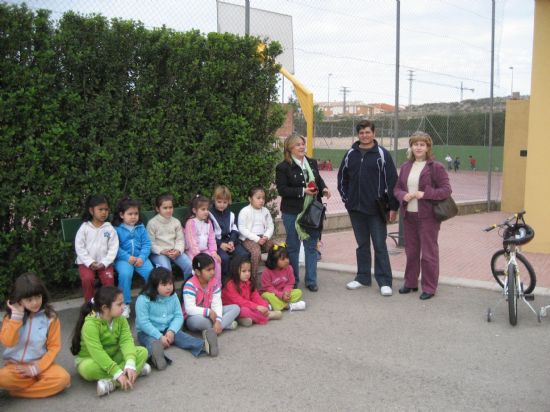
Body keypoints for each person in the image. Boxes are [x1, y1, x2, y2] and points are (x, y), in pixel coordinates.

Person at [337, 120, 398, 296]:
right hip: (355, 209)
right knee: (362, 244)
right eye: (362, 132)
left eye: (368, 132)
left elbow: (392, 181)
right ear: (358, 135)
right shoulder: (350, 154)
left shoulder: (382, 154)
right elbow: (342, 179)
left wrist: (393, 207)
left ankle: (384, 281)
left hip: (376, 209)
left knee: (379, 245)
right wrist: (347, 200)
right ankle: (363, 277)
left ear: (374, 133)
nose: (365, 135)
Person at [393, 132, 452, 300]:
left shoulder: (436, 167)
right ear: (411, 147)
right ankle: (410, 283)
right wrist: (402, 195)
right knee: (411, 252)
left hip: (428, 218)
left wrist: (424, 193)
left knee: (428, 254)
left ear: (427, 147)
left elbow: (446, 190)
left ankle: (429, 287)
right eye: (415, 144)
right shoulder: (405, 166)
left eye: (422, 144)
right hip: (408, 216)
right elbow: (397, 188)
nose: (418, 147)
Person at [71, 286, 150, 397]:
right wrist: (117, 373)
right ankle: (133, 372)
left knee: (143, 351)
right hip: (92, 359)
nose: (123, 307)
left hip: (114, 356)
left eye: (123, 303)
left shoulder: (121, 319)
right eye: (119, 304)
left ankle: (112, 383)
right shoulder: (90, 325)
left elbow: (126, 341)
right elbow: (97, 353)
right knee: (88, 369)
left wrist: (131, 362)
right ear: (105, 308)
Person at [0, 273, 70, 398]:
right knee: (2, 378)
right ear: (19, 299)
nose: (35, 302)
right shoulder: (10, 318)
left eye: (38, 296)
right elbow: (8, 342)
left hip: (42, 365)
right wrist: (16, 319)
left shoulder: (51, 317)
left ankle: (17, 391)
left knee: (63, 378)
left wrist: (36, 368)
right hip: (16, 367)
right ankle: (37, 385)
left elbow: (54, 347)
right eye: (29, 299)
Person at [275, 134, 331, 292]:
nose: (302, 147)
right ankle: (293, 280)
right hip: (292, 212)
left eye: (303, 144)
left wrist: (324, 188)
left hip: (312, 210)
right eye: (298, 145)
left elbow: (318, 180)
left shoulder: (311, 163)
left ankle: (311, 281)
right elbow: (283, 190)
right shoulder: (283, 167)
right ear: (290, 148)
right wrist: (303, 191)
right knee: (292, 246)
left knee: (311, 246)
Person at [135, 267, 218, 370]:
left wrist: (171, 331)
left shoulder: (172, 296)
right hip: (147, 331)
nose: (169, 288)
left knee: (184, 337)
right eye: (164, 285)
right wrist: (159, 336)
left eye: (170, 284)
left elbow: (178, 316)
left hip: (168, 327)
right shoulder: (143, 299)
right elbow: (143, 323)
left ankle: (205, 346)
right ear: (154, 285)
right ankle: (157, 358)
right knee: (152, 342)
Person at [112, 197, 154, 318]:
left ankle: (150, 300)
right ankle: (124, 304)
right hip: (124, 260)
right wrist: (127, 257)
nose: (133, 216)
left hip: (141, 258)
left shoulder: (140, 227)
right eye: (130, 214)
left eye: (136, 213)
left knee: (151, 273)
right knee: (125, 275)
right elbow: (115, 246)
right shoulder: (116, 229)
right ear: (121, 214)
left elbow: (146, 244)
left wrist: (142, 257)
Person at [75, 194, 119, 302]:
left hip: (104, 263)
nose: (104, 212)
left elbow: (113, 248)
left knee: (109, 278)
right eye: (100, 209)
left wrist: (104, 263)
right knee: (87, 279)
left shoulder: (109, 228)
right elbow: (79, 247)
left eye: (106, 209)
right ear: (91, 210)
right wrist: (90, 262)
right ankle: (89, 304)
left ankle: (109, 303)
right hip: (86, 263)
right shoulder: (84, 227)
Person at [182, 253, 240, 335]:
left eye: (213, 269)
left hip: (212, 313)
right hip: (194, 316)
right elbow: (190, 309)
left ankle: (216, 328)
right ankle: (225, 325)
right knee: (201, 322)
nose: (212, 272)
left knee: (235, 308)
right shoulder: (190, 285)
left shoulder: (214, 283)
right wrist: (208, 312)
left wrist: (218, 320)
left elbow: (217, 304)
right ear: (198, 272)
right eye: (208, 270)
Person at [222, 255, 282, 326]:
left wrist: (263, 306)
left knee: (264, 303)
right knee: (244, 310)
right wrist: (257, 307)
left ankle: (244, 320)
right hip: (235, 308)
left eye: (249, 271)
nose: (247, 274)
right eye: (244, 271)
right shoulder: (230, 285)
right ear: (235, 271)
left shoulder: (248, 282)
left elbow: (255, 296)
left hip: (247, 305)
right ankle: (267, 316)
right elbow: (239, 302)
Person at [209, 185, 250, 280]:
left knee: (244, 254)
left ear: (228, 202)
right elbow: (209, 235)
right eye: (219, 202)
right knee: (224, 258)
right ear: (214, 200)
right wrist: (220, 244)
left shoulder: (230, 214)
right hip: (217, 243)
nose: (222, 205)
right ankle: (226, 283)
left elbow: (235, 230)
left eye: (225, 202)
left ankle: (241, 280)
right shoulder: (210, 215)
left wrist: (231, 241)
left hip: (230, 241)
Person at [147, 193, 192, 279]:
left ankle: (187, 287)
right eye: (165, 208)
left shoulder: (176, 222)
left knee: (189, 265)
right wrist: (162, 251)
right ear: (157, 209)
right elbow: (150, 243)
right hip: (158, 253)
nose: (168, 210)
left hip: (174, 251)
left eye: (170, 207)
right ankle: (167, 290)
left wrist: (178, 250)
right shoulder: (152, 223)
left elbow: (180, 240)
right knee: (166, 269)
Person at [237, 187, 275, 278]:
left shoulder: (265, 211)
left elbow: (270, 225)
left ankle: (273, 276)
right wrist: (257, 239)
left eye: (263, 198)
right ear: (250, 199)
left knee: (276, 249)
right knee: (256, 252)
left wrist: (266, 236)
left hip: (263, 237)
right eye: (258, 198)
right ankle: (252, 280)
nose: (261, 201)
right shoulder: (244, 211)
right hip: (249, 238)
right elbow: (242, 228)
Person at [184, 195, 222, 285]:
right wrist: (199, 257)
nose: (206, 212)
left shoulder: (208, 222)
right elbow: (192, 242)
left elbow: (212, 239)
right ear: (194, 210)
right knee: (198, 266)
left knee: (216, 261)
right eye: (203, 209)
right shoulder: (191, 223)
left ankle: (216, 286)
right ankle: (199, 287)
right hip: (193, 252)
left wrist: (213, 252)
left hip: (205, 250)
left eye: (207, 209)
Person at [260, 244, 306, 312]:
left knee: (298, 292)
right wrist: (280, 295)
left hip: (284, 292)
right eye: (283, 259)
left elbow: (290, 283)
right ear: (274, 260)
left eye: (287, 258)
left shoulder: (289, 268)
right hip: (273, 294)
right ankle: (289, 306)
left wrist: (286, 292)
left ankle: (275, 306)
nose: (287, 261)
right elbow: (268, 288)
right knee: (265, 295)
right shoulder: (266, 272)